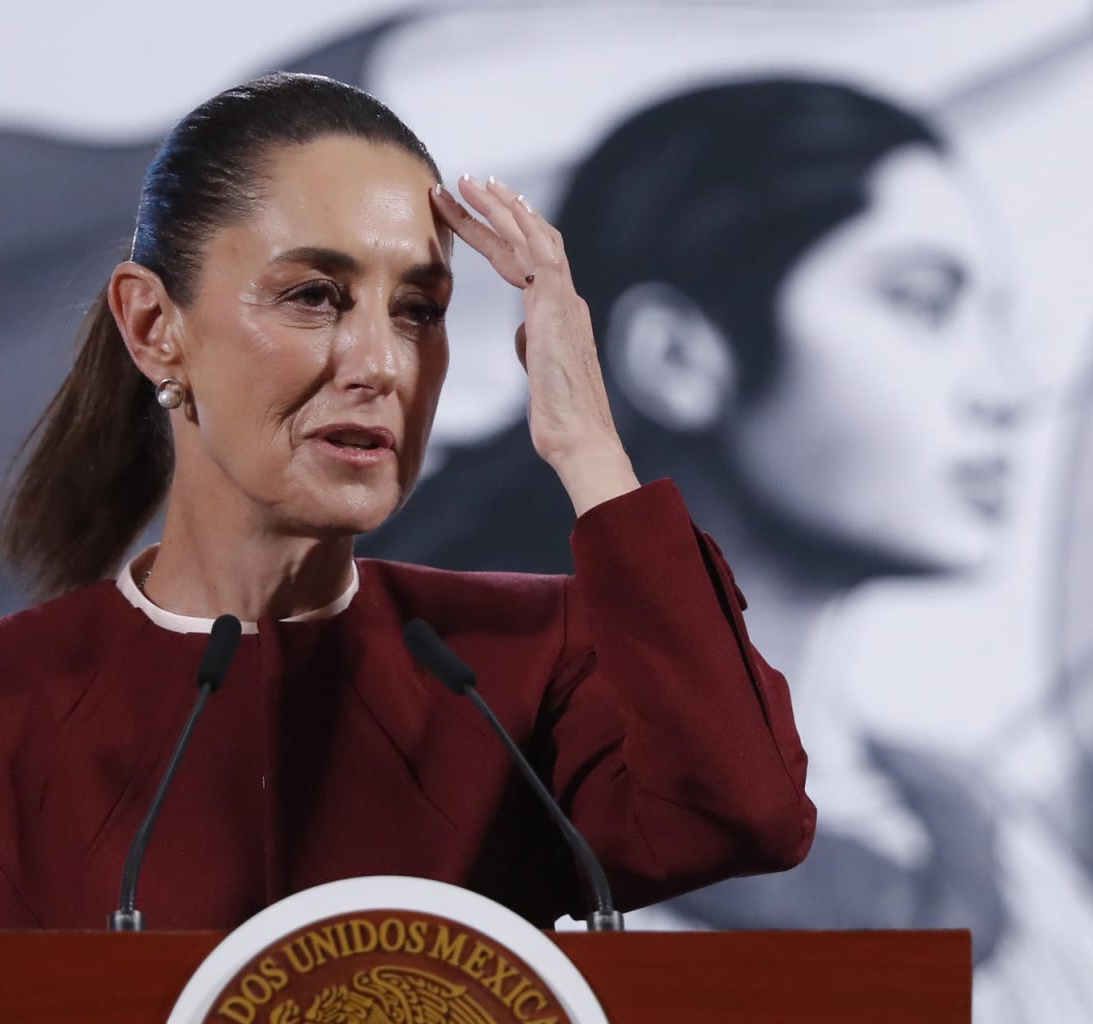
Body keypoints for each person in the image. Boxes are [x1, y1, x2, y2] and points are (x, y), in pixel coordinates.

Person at [0, 72, 814, 931]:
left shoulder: (517, 667)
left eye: (419, 311)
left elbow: (743, 811)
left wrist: (589, 444)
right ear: (154, 326)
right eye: (314, 295)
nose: (381, 365)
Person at [364, 78, 1093, 1019]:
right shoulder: (454, 811)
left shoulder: (993, 844)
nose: (1005, 387)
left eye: (993, 318)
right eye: (922, 303)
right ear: (679, 356)